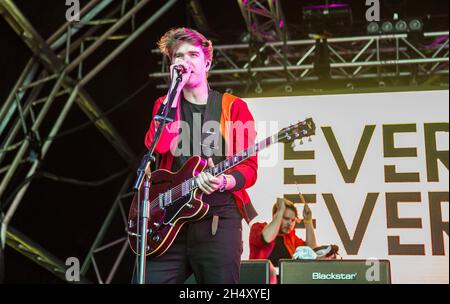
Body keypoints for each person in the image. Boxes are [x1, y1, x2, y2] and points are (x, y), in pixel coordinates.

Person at [139, 27, 258, 284]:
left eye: (193, 55)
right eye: (178, 57)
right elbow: (159, 146)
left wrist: (224, 181)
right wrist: (174, 92)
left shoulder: (233, 107)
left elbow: (249, 167)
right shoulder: (164, 104)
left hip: (217, 217)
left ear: (207, 62)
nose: (185, 62)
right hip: (170, 218)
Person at [249, 197, 318, 283]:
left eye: (293, 220)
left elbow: (312, 252)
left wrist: (308, 221)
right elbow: (266, 238)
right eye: (286, 218)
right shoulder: (258, 228)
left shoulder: (290, 237)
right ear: (276, 215)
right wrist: (281, 210)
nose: (290, 223)